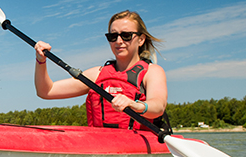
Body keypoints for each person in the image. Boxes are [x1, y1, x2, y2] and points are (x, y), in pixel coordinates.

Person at [34, 10, 168, 130]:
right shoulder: (96, 74)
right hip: (102, 145)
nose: (118, 41)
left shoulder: (152, 72)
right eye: (113, 36)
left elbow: (158, 107)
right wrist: (41, 60)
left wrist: (135, 105)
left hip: (137, 145)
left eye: (126, 35)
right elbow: (46, 91)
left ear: (141, 40)